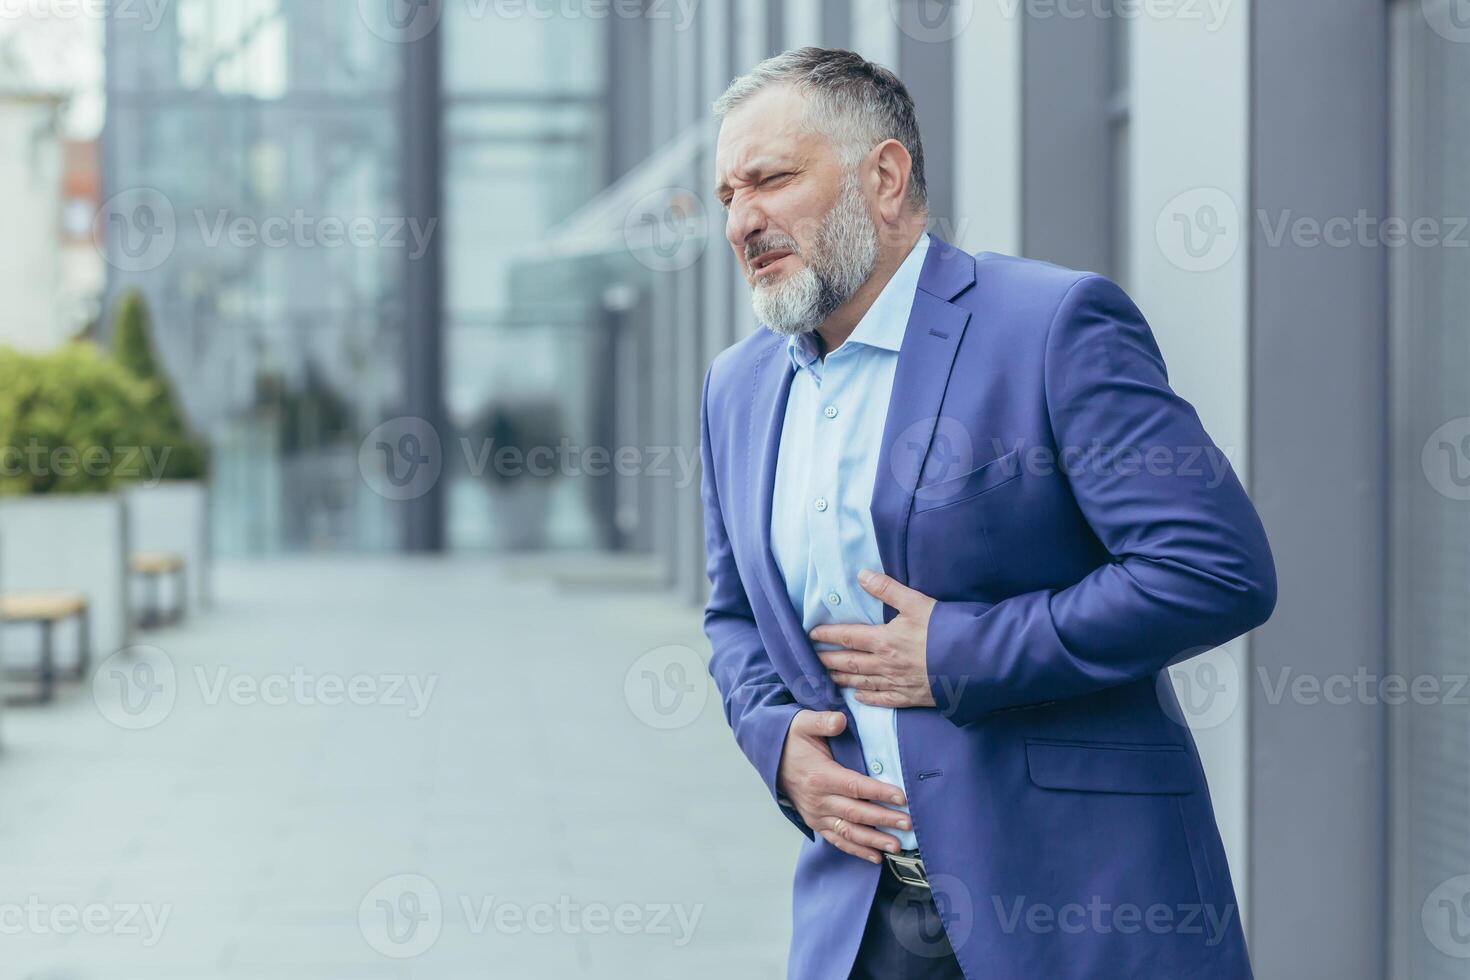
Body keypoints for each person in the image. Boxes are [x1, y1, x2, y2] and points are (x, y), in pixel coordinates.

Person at [699, 47, 1275, 979]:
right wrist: (778, 749)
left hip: (1081, 910)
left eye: (770, 180)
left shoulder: (1051, 326)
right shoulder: (737, 387)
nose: (742, 221)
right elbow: (733, 616)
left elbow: (1214, 570)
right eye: (728, 194)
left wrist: (958, 652)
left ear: (883, 177)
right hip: (864, 923)